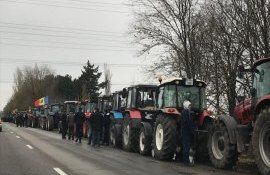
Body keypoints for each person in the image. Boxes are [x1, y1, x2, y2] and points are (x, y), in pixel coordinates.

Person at [181, 100, 195, 166]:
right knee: (186, 147)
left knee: (186, 146)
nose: (190, 107)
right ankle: (186, 162)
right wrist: (192, 129)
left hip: (186, 132)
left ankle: (185, 161)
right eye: (189, 106)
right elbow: (187, 122)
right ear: (186, 106)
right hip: (186, 132)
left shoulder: (187, 112)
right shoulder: (185, 112)